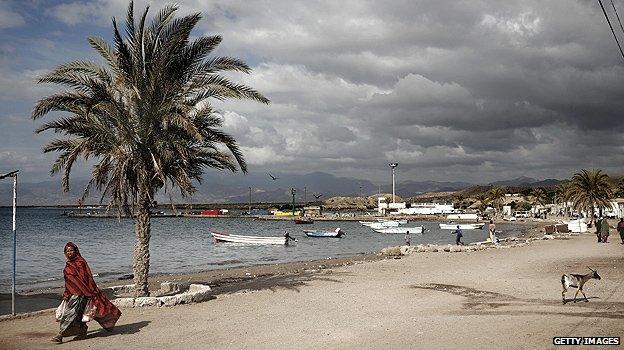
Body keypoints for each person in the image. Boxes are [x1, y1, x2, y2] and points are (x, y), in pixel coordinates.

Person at [51, 242, 122, 343]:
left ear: (76, 251)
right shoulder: (68, 265)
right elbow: (68, 282)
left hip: (83, 294)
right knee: (76, 315)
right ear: (65, 253)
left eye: (71, 250)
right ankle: (82, 332)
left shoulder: (81, 262)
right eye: (67, 251)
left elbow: (87, 278)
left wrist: (90, 291)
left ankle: (60, 335)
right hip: (73, 294)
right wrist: (66, 293)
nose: (70, 253)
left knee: (70, 315)